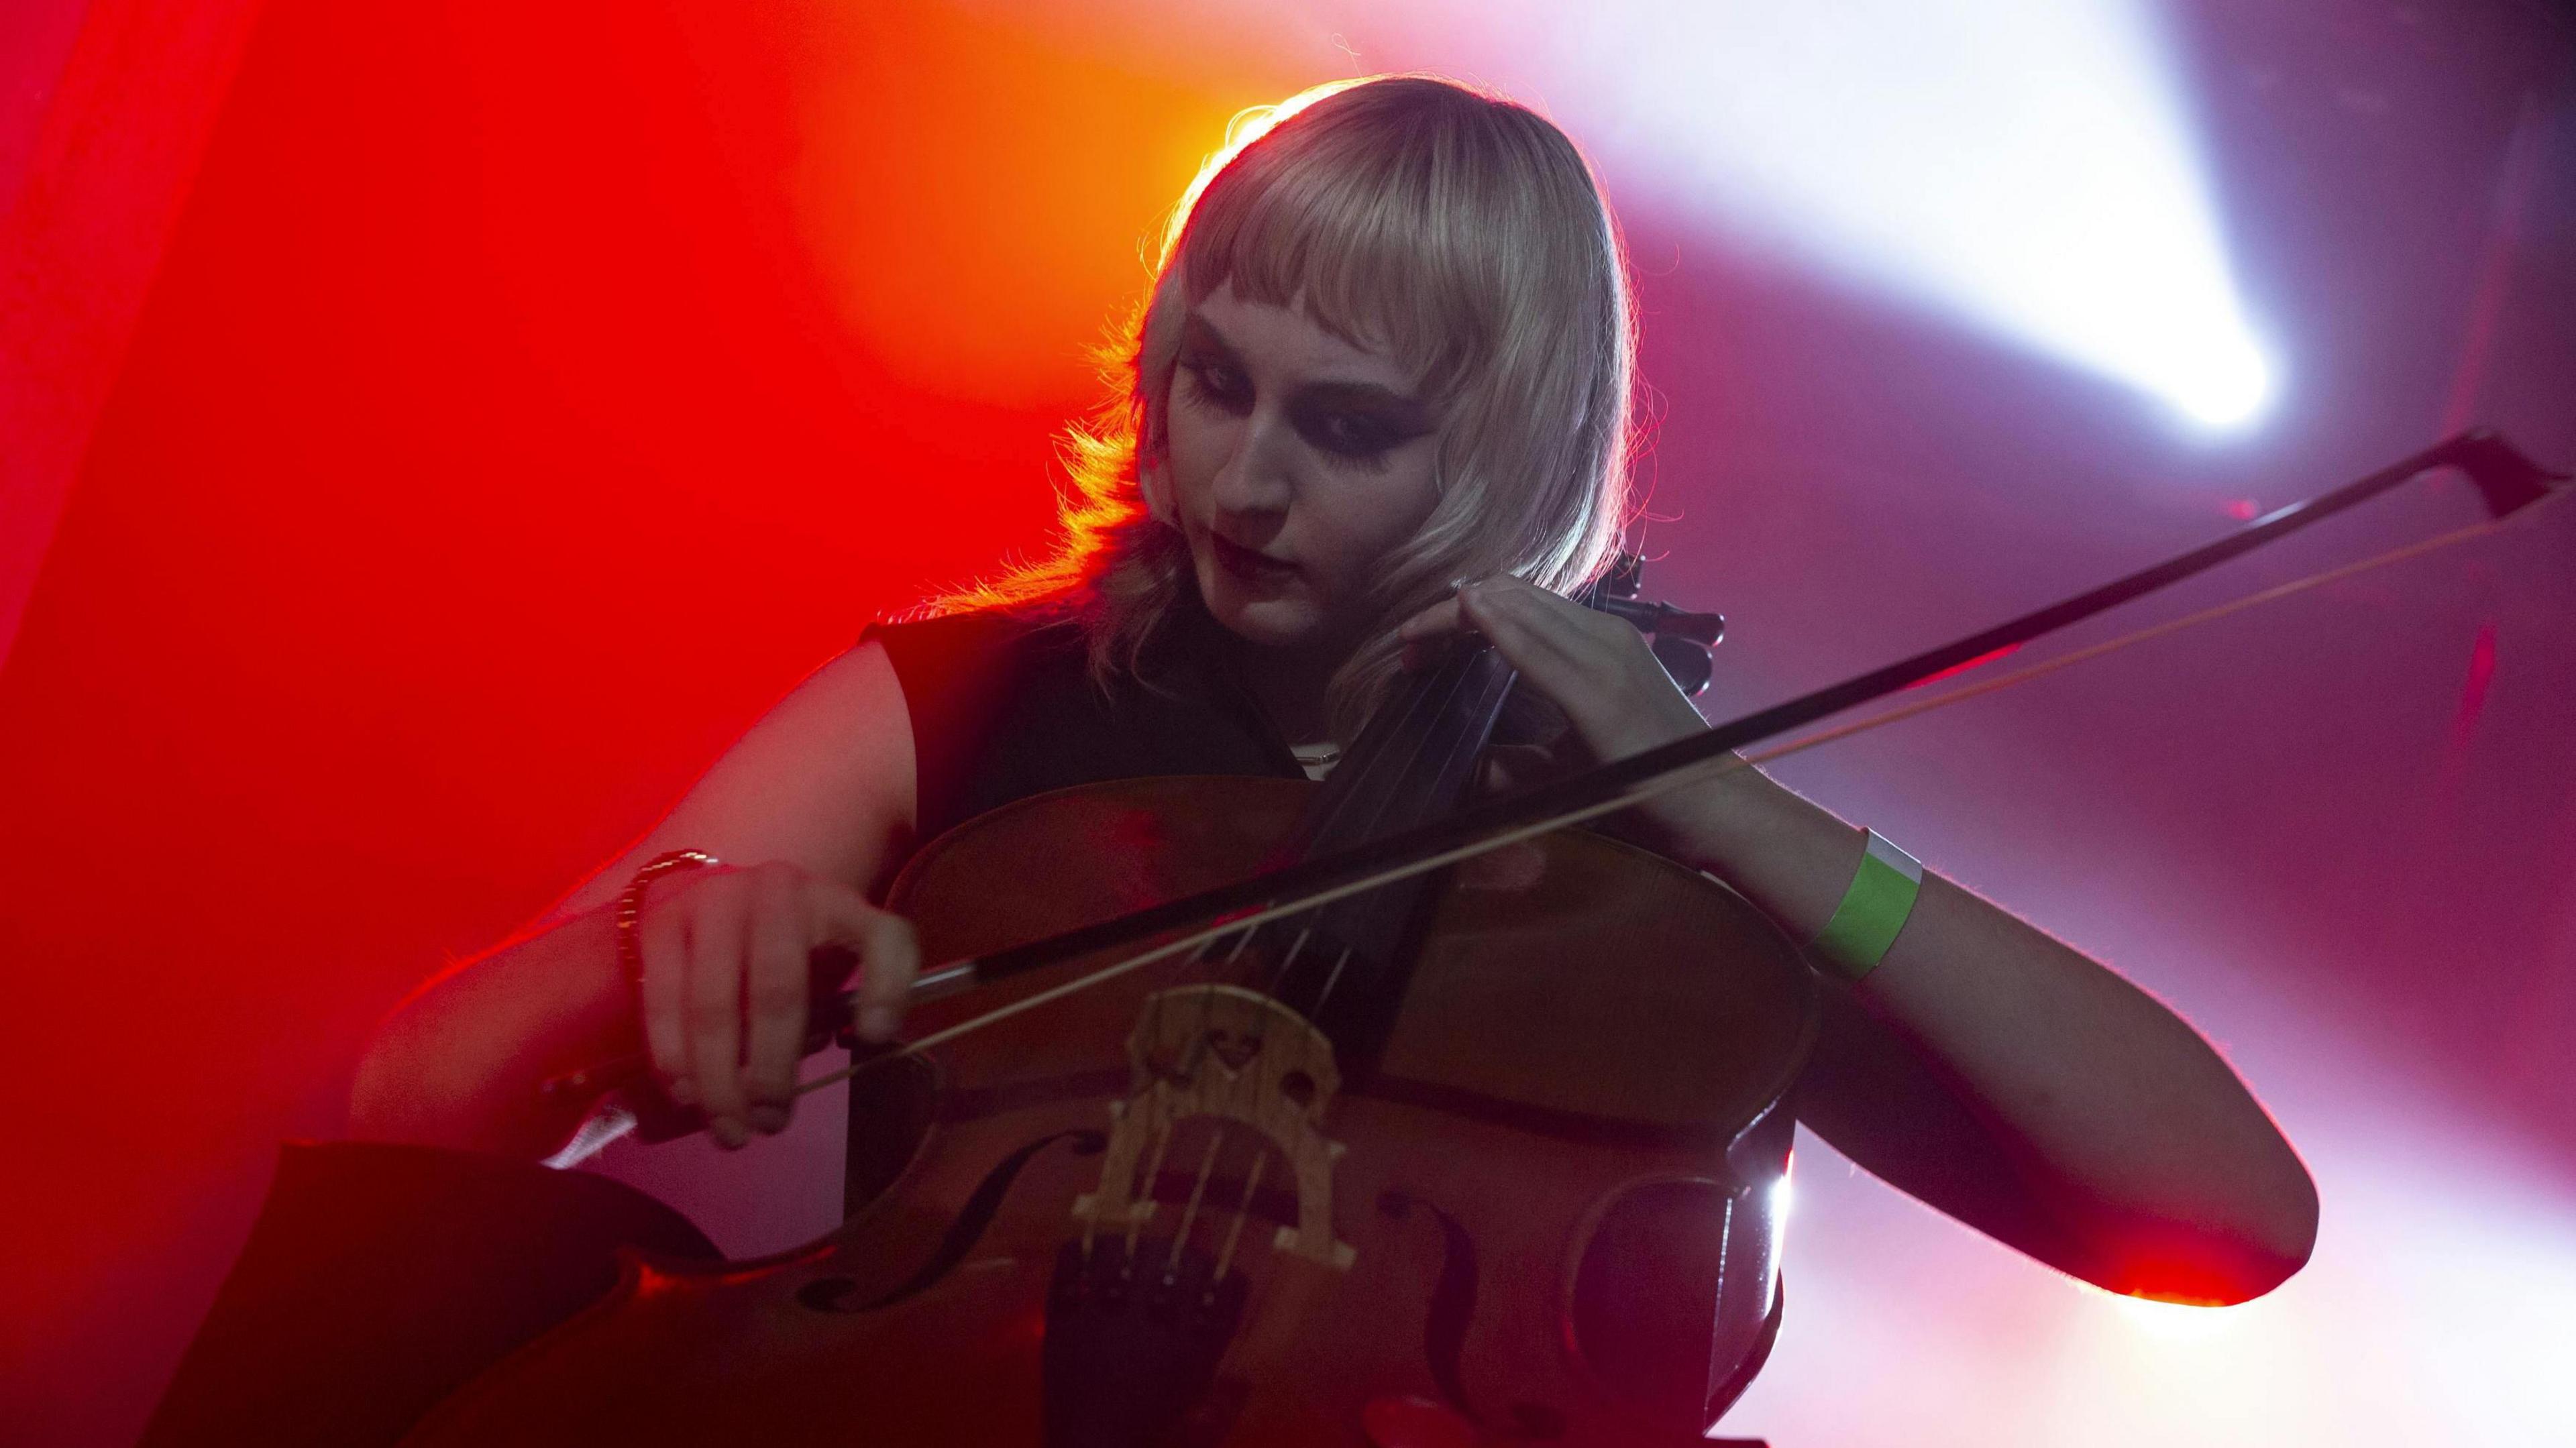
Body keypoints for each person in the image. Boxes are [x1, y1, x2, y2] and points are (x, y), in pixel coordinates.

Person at [349, 74, 2315, 1306]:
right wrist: (660, 944)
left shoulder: (1634, 838)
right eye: (1215, 382)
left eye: (1347, 424)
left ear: (1508, 443)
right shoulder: (964, 698)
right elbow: (408, 1111)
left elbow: (2231, 1216)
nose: (1243, 479)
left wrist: (1720, 807)